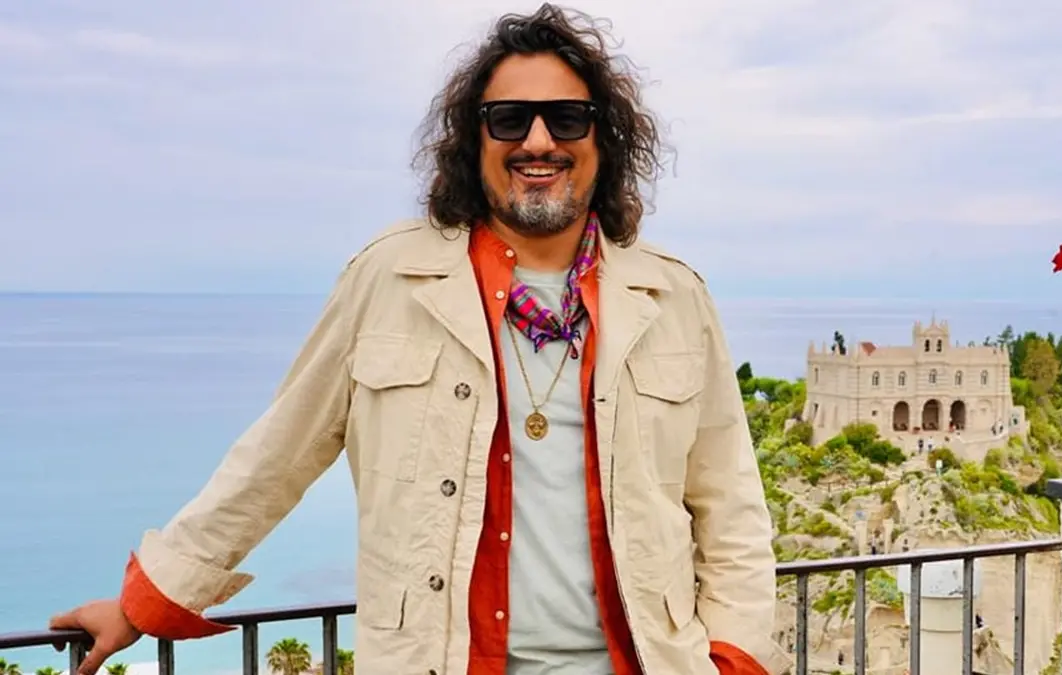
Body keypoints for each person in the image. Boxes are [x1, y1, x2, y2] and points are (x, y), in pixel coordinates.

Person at [48, 4, 789, 674]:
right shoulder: (389, 279)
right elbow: (275, 456)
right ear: (474, 140)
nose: (538, 140)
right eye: (509, 119)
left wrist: (734, 660)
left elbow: (730, 507)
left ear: (603, 139)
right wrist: (146, 599)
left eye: (567, 119)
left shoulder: (674, 296)